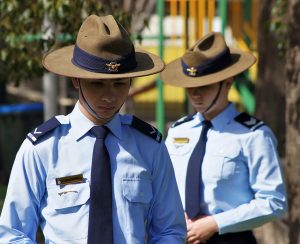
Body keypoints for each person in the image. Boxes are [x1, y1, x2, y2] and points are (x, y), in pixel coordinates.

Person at [0, 15, 186, 243]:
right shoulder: (43, 148)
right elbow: (13, 233)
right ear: (75, 80)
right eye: (97, 83)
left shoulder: (149, 147)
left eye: (119, 84)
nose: (109, 95)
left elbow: (170, 230)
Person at [161, 32, 287, 244]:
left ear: (227, 83)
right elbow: (163, 185)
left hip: (230, 238)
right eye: (190, 87)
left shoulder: (253, 135)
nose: (195, 95)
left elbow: (273, 201)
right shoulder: (178, 131)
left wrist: (214, 223)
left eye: (205, 86)